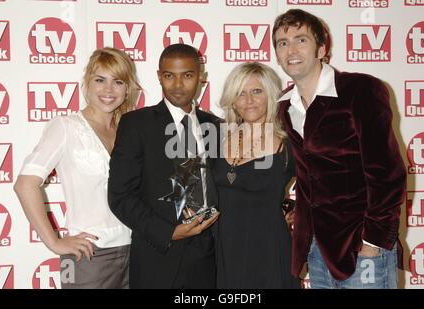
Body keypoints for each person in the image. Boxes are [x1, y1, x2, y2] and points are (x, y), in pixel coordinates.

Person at [273, 9, 407, 288]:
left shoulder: (361, 90)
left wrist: (373, 242)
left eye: (301, 40)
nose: (291, 49)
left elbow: (388, 175)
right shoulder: (285, 107)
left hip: (363, 248)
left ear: (322, 48)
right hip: (317, 250)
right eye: (282, 43)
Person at [14, 47, 140, 288]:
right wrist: (54, 241)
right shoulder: (66, 127)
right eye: (100, 80)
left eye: (118, 81)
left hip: (135, 251)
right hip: (88, 255)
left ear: (127, 88)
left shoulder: (130, 130)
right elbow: (24, 184)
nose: (108, 90)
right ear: (87, 82)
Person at [107, 43, 220, 289]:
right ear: (159, 76)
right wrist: (169, 232)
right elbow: (120, 196)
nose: (178, 85)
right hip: (157, 258)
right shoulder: (136, 125)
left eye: (187, 75)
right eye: (169, 76)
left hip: (209, 259)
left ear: (201, 77)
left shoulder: (216, 126)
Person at [212, 62, 300, 289]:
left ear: (271, 95)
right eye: (240, 93)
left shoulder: (289, 144)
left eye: (257, 91)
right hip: (222, 250)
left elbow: (325, 187)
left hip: (270, 251)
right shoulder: (217, 138)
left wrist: (299, 212)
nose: (248, 100)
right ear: (232, 99)